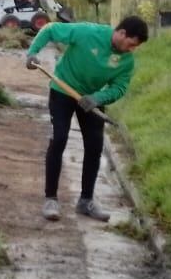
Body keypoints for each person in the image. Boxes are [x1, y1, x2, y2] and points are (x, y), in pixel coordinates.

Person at [26, 16, 149, 222]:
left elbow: (119, 87)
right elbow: (50, 29)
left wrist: (97, 98)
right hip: (62, 91)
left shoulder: (126, 61)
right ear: (121, 33)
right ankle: (51, 199)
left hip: (90, 99)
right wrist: (32, 52)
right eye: (131, 44)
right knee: (59, 139)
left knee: (94, 146)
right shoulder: (87, 32)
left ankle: (86, 201)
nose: (132, 49)